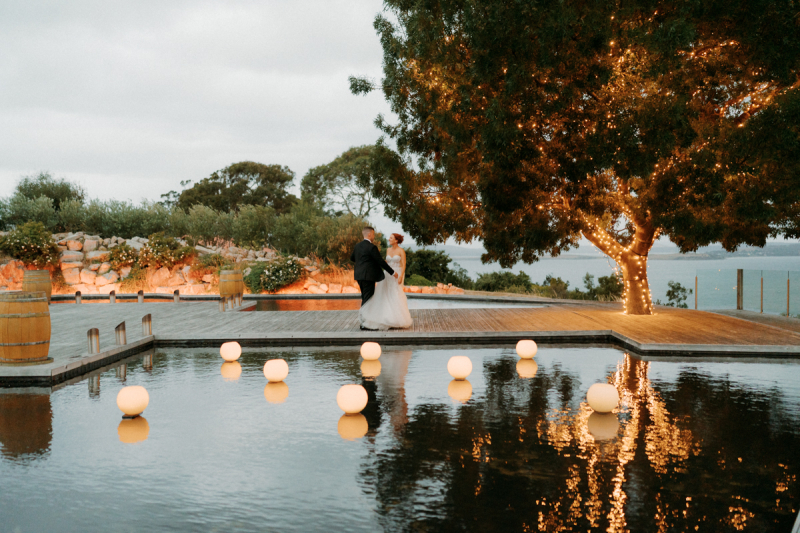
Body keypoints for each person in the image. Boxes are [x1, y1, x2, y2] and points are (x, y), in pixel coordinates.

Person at [355, 232, 413, 330]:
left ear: (396, 240)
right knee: (384, 294)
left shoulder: (401, 251)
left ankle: (396, 319)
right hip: (387, 274)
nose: (389, 239)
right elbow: (385, 262)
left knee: (395, 294)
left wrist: (401, 276)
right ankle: (385, 317)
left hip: (396, 274)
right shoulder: (388, 250)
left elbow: (403, 264)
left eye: (391, 238)